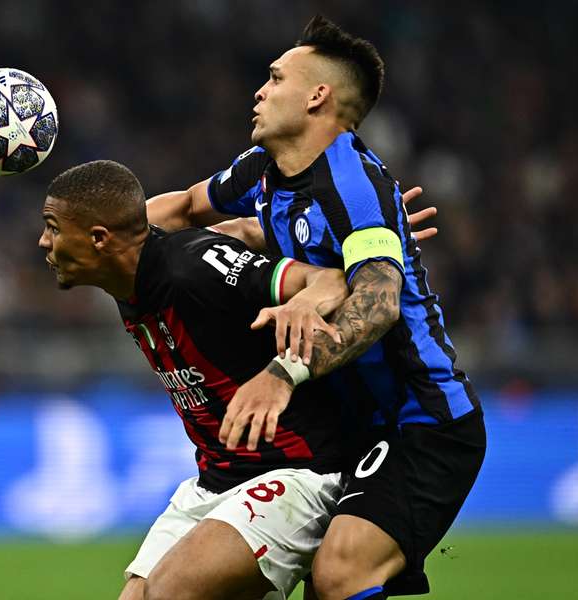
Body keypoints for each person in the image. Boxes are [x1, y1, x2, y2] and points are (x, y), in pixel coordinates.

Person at [145, 14, 486, 600]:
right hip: (347, 425)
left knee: (340, 572)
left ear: (317, 96)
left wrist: (282, 375)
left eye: (276, 78)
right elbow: (181, 210)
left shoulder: (355, 186)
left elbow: (377, 305)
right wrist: (99, 231)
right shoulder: (266, 173)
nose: (260, 90)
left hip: (423, 422)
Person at [39, 158, 362, 600]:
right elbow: (200, 220)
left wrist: (305, 303)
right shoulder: (127, 263)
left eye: (53, 228)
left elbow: (328, 280)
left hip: (299, 472)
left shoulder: (195, 269)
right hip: (217, 479)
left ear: (98, 239)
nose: (43, 242)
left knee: (172, 592)